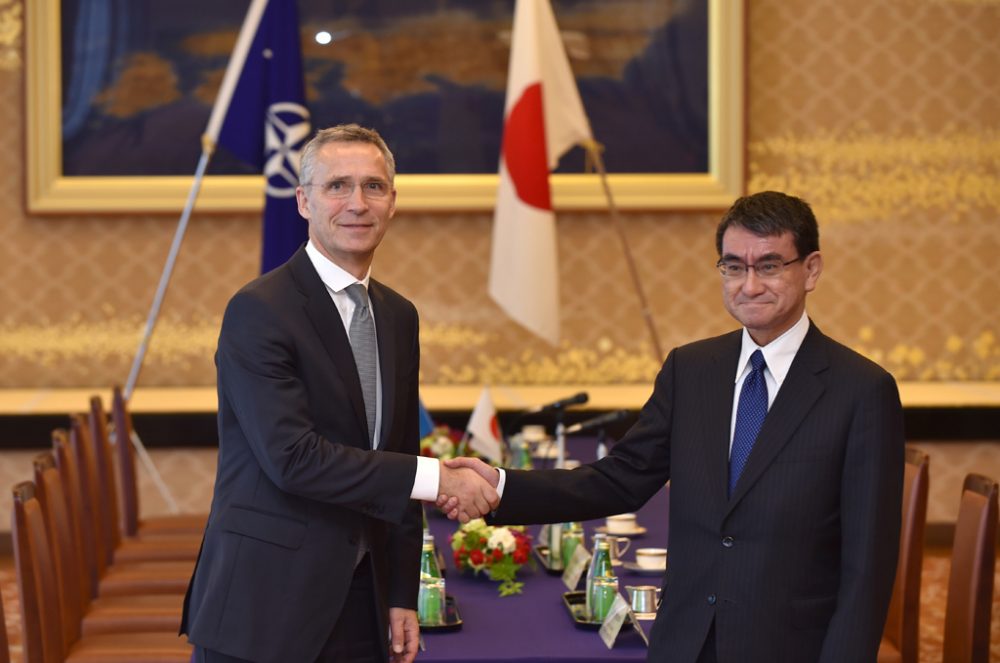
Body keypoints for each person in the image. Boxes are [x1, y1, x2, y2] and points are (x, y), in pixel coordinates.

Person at [442, 191, 905, 662]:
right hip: (685, 641)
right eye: (733, 267)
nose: (749, 285)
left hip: (789, 645)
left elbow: (867, 564)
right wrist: (500, 487)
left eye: (769, 266)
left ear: (811, 270)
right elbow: (619, 479)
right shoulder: (692, 369)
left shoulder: (862, 391)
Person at [180, 124, 498, 663]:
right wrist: (438, 477)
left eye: (374, 187)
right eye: (337, 186)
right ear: (303, 201)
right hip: (265, 605)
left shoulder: (398, 316)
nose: (357, 203)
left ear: (393, 203)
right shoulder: (260, 310)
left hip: (362, 597)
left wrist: (402, 591)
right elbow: (293, 460)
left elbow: (394, 452)